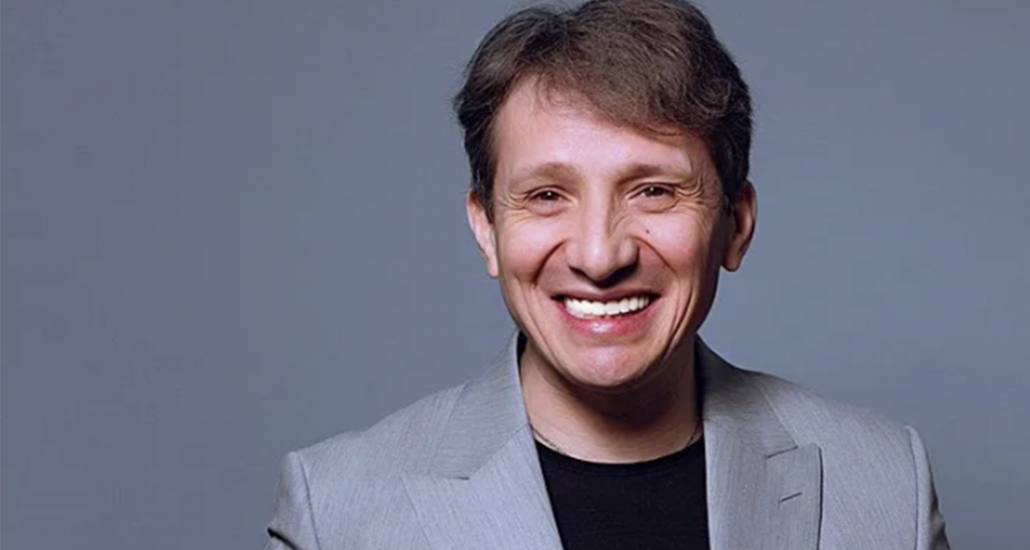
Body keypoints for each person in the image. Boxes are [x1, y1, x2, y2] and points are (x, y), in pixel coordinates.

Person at [264, 0, 950, 548]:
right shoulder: (338, 511)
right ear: (487, 229)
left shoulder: (886, 484)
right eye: (546, 195)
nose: (599, 256)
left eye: (653, 191)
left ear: (735, 226)